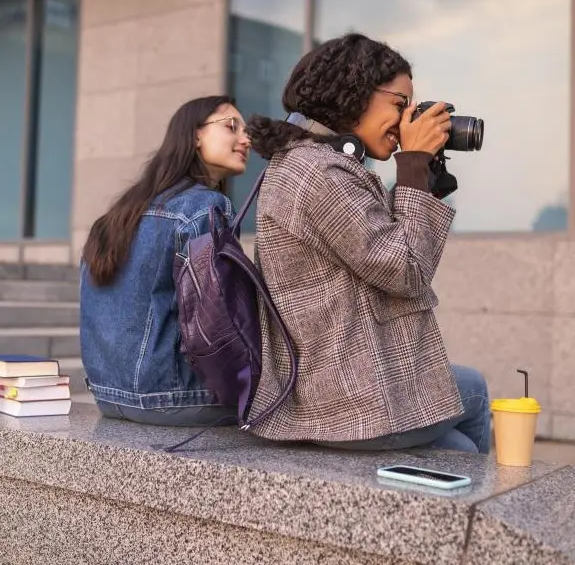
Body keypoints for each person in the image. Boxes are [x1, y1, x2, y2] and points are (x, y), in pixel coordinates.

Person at [245, 34, 490, 453]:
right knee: (467, 423)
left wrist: (423, 173)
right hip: (343, 397)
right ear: (355, 93)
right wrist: (412, 163)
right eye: (400, 104)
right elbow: (406, 269)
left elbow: (385, 250)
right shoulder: (318, 173)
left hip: (336, 380)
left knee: (465, 415)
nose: (406, 120)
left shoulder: (315, 162)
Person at [79, 95, 251, 426]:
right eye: (232, 126)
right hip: (176, 398)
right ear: (195, 135)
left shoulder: (119, 215)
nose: (246, 139)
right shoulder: (206, 208)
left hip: (107, 396)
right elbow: (218, 318)